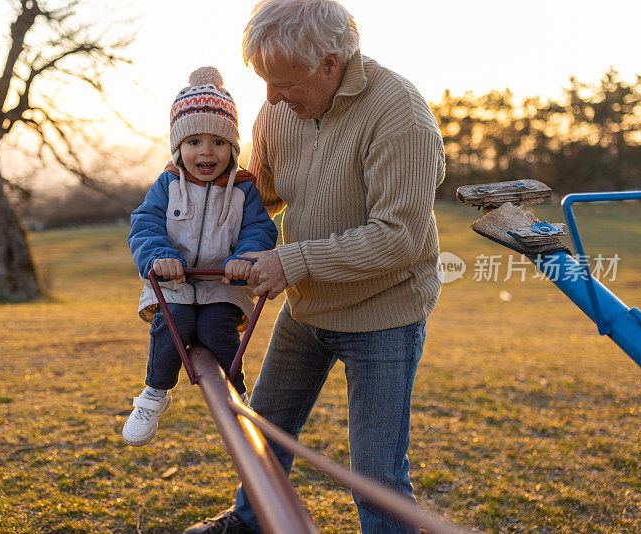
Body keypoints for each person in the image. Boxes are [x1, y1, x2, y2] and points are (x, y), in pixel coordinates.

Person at [183, 1, 444, 533]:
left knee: (376, 476)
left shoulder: (400, 114)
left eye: (283, 83)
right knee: (263, 430)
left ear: (329, 64)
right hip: (305, 309)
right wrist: (188, 210)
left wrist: (293, 260)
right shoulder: (280, 111)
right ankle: (250, 521)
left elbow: (403, 238)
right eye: (265, 83)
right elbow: (264, 196)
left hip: (383, 316)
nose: (273, 98)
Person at [124, 66, 278, 447]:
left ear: (233, 148)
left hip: (221, 286)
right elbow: (144, 225)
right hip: (174, 284)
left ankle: (236, 402)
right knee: (173, 323)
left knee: (214, 331)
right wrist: (159, 257)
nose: (206, 151)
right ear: (178, 148)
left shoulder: (244, 190)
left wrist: (245, 258)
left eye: (218, 142)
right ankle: (154, 394)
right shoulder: (167, 185)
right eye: (193, 141)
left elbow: (259, 230)